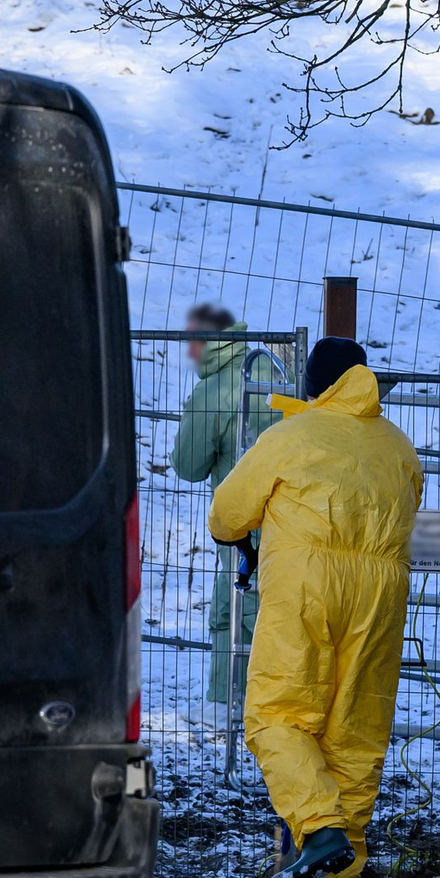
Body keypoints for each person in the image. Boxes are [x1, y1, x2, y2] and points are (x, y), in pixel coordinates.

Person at [208, 337, 423, 878]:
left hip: (306, 586)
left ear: (315, 384)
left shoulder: (288, 438)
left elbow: (227, 514)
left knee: (276, 716)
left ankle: (318, 828)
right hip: (381, 593)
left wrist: (245, 537)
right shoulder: (399, 447)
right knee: (355, 731)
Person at [170, 304, 277, 725]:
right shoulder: (272, 372)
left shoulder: (215, 391)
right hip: (293, 516)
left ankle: (227, 703)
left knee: (233, 605)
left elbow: (187, 465)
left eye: (192, 342)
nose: (189, 352)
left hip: (242, 519)